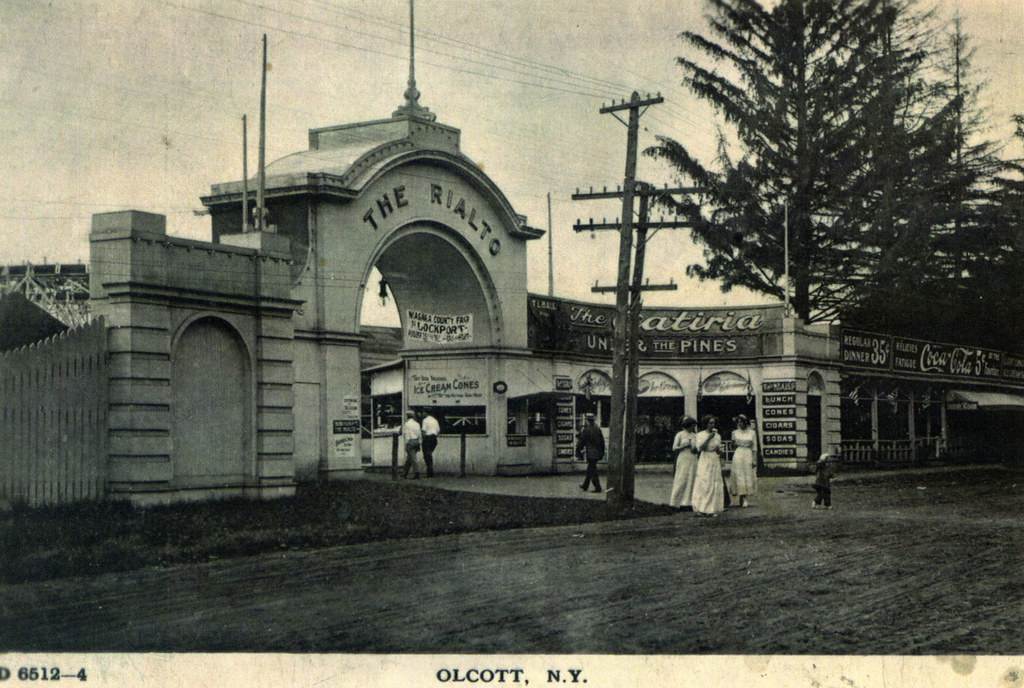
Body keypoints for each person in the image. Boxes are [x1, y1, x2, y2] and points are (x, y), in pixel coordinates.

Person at [691, 414, 725, 517]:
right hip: (705, 459)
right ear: (706, 424)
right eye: (710, 423)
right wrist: (709, 438)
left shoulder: (717, 436)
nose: (712, 425)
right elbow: (699, 448)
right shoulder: (700, 435)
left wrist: (720, 451)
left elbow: (718, 449)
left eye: (714, 423)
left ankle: (712, 509)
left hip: (714, 459)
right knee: (704, 482)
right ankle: (701, 508)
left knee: (714, 483)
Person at [668, 416, 699, 510]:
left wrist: (695, 449)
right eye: (692, 426)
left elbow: (697, 448)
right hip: (683, 458)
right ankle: (676, 503)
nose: (694, 428)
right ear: (688, 425)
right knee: (681, 479)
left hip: (693, 458)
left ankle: (688, 503)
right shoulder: (680, 435)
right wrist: (684, 445)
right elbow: (674, 448)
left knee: (691, 479)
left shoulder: (695, 436)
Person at [729, 414, 758, 507]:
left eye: (742, 421)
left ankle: (745, 497)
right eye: (738, 422)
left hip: (748, 454)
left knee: (747, 475)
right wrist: (732, 442)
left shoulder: (752, 433)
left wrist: (754, 460)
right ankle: (742, 496)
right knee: (739, 475)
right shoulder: (735, 433)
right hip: (738, 454)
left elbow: (754, 447)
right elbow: (732, 447)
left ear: (746, 422)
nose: (740, 424)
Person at [576, 413, 605, 493]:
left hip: (590, 453)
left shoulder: (587, 429)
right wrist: (602, 453)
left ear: (587, 420)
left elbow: (582, 441)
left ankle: (597, 488)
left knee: (592, 471)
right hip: (597, 453)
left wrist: (578, 451)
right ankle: (585, 485)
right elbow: (602, 442)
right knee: (590, 469)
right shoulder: (597, 429)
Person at [401, 411, 422, 479]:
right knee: (410, 457)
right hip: (416, 441)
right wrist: (419, 441)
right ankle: (405, 473)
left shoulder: (406, 424)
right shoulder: (417, 424)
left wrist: (406, 443)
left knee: (412, 458)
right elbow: (419, 433)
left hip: (410, 441)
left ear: (407, 416)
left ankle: (417, 472)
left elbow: (406, 434)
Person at [420, 410, 440, 478]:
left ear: (426, 413)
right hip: (434, 438)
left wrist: (423, 439)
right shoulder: (435, 420)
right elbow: (438, 431)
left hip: (427, 438)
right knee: (429, 455)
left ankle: (429, 472)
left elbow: (423, 431)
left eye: (422, 412)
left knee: (426, 455)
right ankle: (430, 472)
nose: (422, 414)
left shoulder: (425, 420)